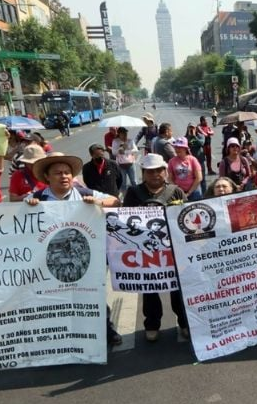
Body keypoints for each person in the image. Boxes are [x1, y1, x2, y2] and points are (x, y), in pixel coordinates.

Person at [24, 152, 121, 347]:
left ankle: (106, 328)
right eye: (58, 173)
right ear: (47, 177)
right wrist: (28, 205)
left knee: (92, 293)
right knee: (58, 297)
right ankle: (66, 335)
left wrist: (99, 203)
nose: (64, 176)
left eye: (67, 172)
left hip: (85, 256)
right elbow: (18, 218)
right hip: (53, 259)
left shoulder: (84, 193)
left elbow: (115, 201)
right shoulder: (36, 198)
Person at [121, 154, 189, 343]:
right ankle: (151, 324)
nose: (155, 175)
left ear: (165, 171)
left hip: (173, 252)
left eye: (158, 170)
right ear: (143, 173)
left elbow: (187, 218)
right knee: (149, 289)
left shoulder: (176, 192)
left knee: (178, 290)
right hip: (146, 252)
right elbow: (125, 221)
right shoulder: (133, 193)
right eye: (150, 171)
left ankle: (185, 323)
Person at [111, 127, 138, 193]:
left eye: (126, 133)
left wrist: (126, 151)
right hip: (121, 165)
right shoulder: (115, 141)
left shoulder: (130, 140)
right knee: (123, 182)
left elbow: (135, 149)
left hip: (130, 163)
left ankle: (137, 194)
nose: (125, 135)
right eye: (123, 133)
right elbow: (113, 152)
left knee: (134, 181)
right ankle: (124, 196)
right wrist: (119, 149)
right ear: (119, 134)